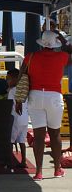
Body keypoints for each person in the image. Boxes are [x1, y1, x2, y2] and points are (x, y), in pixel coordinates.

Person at [16, 30, 69, 180]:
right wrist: (63, 41)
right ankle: (57, 169)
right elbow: (70, 51)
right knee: (55, 133)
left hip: (35, 96)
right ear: (55, 44)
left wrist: (18, 100)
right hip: (54, 97)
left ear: (41, 43)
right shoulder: (62, 56)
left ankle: (38, 171)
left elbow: (21, 77)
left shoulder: (31, 57)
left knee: (39, 136)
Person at [7, 68, 28, 168]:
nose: (8, 81)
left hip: (15, 119)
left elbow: (9, 103)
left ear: (15, 79)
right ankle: (23, 161)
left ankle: (10, 161)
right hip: (25, 119)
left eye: (9, 79)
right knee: (22, 141)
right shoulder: (25, 90)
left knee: (11, 140)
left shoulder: (12, 91)